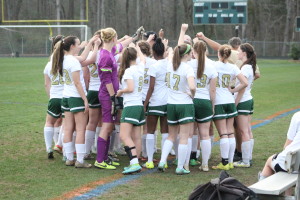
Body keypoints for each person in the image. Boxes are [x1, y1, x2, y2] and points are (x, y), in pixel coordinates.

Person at [52, 35, 98, 168]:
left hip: (66, 97)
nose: (80, 46)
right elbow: (77, 83)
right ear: (72, 46)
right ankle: (80, 161)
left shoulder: (64, 58)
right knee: (80, 129)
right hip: (76, 97)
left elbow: (83, 58)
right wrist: (85, 99)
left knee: (68, 128)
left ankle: (69, 158)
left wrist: (91, 43)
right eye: (78, 44)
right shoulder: (73, 61)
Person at [158, 43, 196, 175]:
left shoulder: (170, 65)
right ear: (185, 55)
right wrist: (192, 95)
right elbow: (192, 86)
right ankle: (180, 167)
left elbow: (171, 54)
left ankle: (162, 161)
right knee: (184, 137)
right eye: (190, 52)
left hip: (171, 104)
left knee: (171, 136)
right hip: (184, 104)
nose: (192, 54)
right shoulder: (187, 68)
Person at [211, 44, 248, 170]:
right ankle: (230, 162)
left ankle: (225, 162)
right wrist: (232, 90)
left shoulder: (214, 65)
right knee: (230, 132)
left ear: (219, 54)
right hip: (230, 100)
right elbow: (245, 83)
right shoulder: (233, 67)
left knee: (223, 134)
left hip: (219, 101)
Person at [188, 40, 218, 171]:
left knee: (189, 133)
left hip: (190, 100)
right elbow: (212, 90)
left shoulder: (188, 64)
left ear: (193, 52)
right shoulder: (211, 66)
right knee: (205, 134)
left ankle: (186, 162)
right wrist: (212, 105)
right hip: (205, 101)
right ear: (205, 52)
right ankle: (205, 164)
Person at [117, 45, 145, 174]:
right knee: (136, 137)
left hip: (131, 105)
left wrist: (120, 91)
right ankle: (136, 162)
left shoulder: (129, 71)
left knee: (124, 135)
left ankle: (134, 163)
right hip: (139, 105)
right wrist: (138, 48)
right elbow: (143, 59)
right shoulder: (140, 68)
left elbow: (131, 88)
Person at [143, 38, 168, 169]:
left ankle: (150, 160)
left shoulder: (154, 66)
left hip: (155, 102)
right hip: (167, 102)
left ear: (153, 51)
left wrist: (145, 103)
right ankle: (163, 160)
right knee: (165, 132)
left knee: (150, 131)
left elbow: (151, 87)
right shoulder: (170, 64)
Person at [233, 43, 257, 168]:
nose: (237, 53)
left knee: (244, 131)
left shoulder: (246, 67)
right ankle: (248, 158)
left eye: (239, 51)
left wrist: (235, 98)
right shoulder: (248, 66)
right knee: (247, 130)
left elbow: (243, 86)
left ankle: (246, 161)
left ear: (244, 53)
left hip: (243, 101)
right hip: (248, 99)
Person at [258, 112, 300, 180]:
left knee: (270, 161)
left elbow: (288, 143)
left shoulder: (297, 116)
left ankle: (260, 189)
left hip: (293, 166)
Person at [43, 35, 64, 159]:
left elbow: (47, 84)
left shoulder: (49, 64)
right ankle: (60, 145)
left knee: (49, 122)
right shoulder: (67, 61)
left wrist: (51, 96)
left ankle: (48, 148)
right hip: (67, 97)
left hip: (55, 97)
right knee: (65, 122)